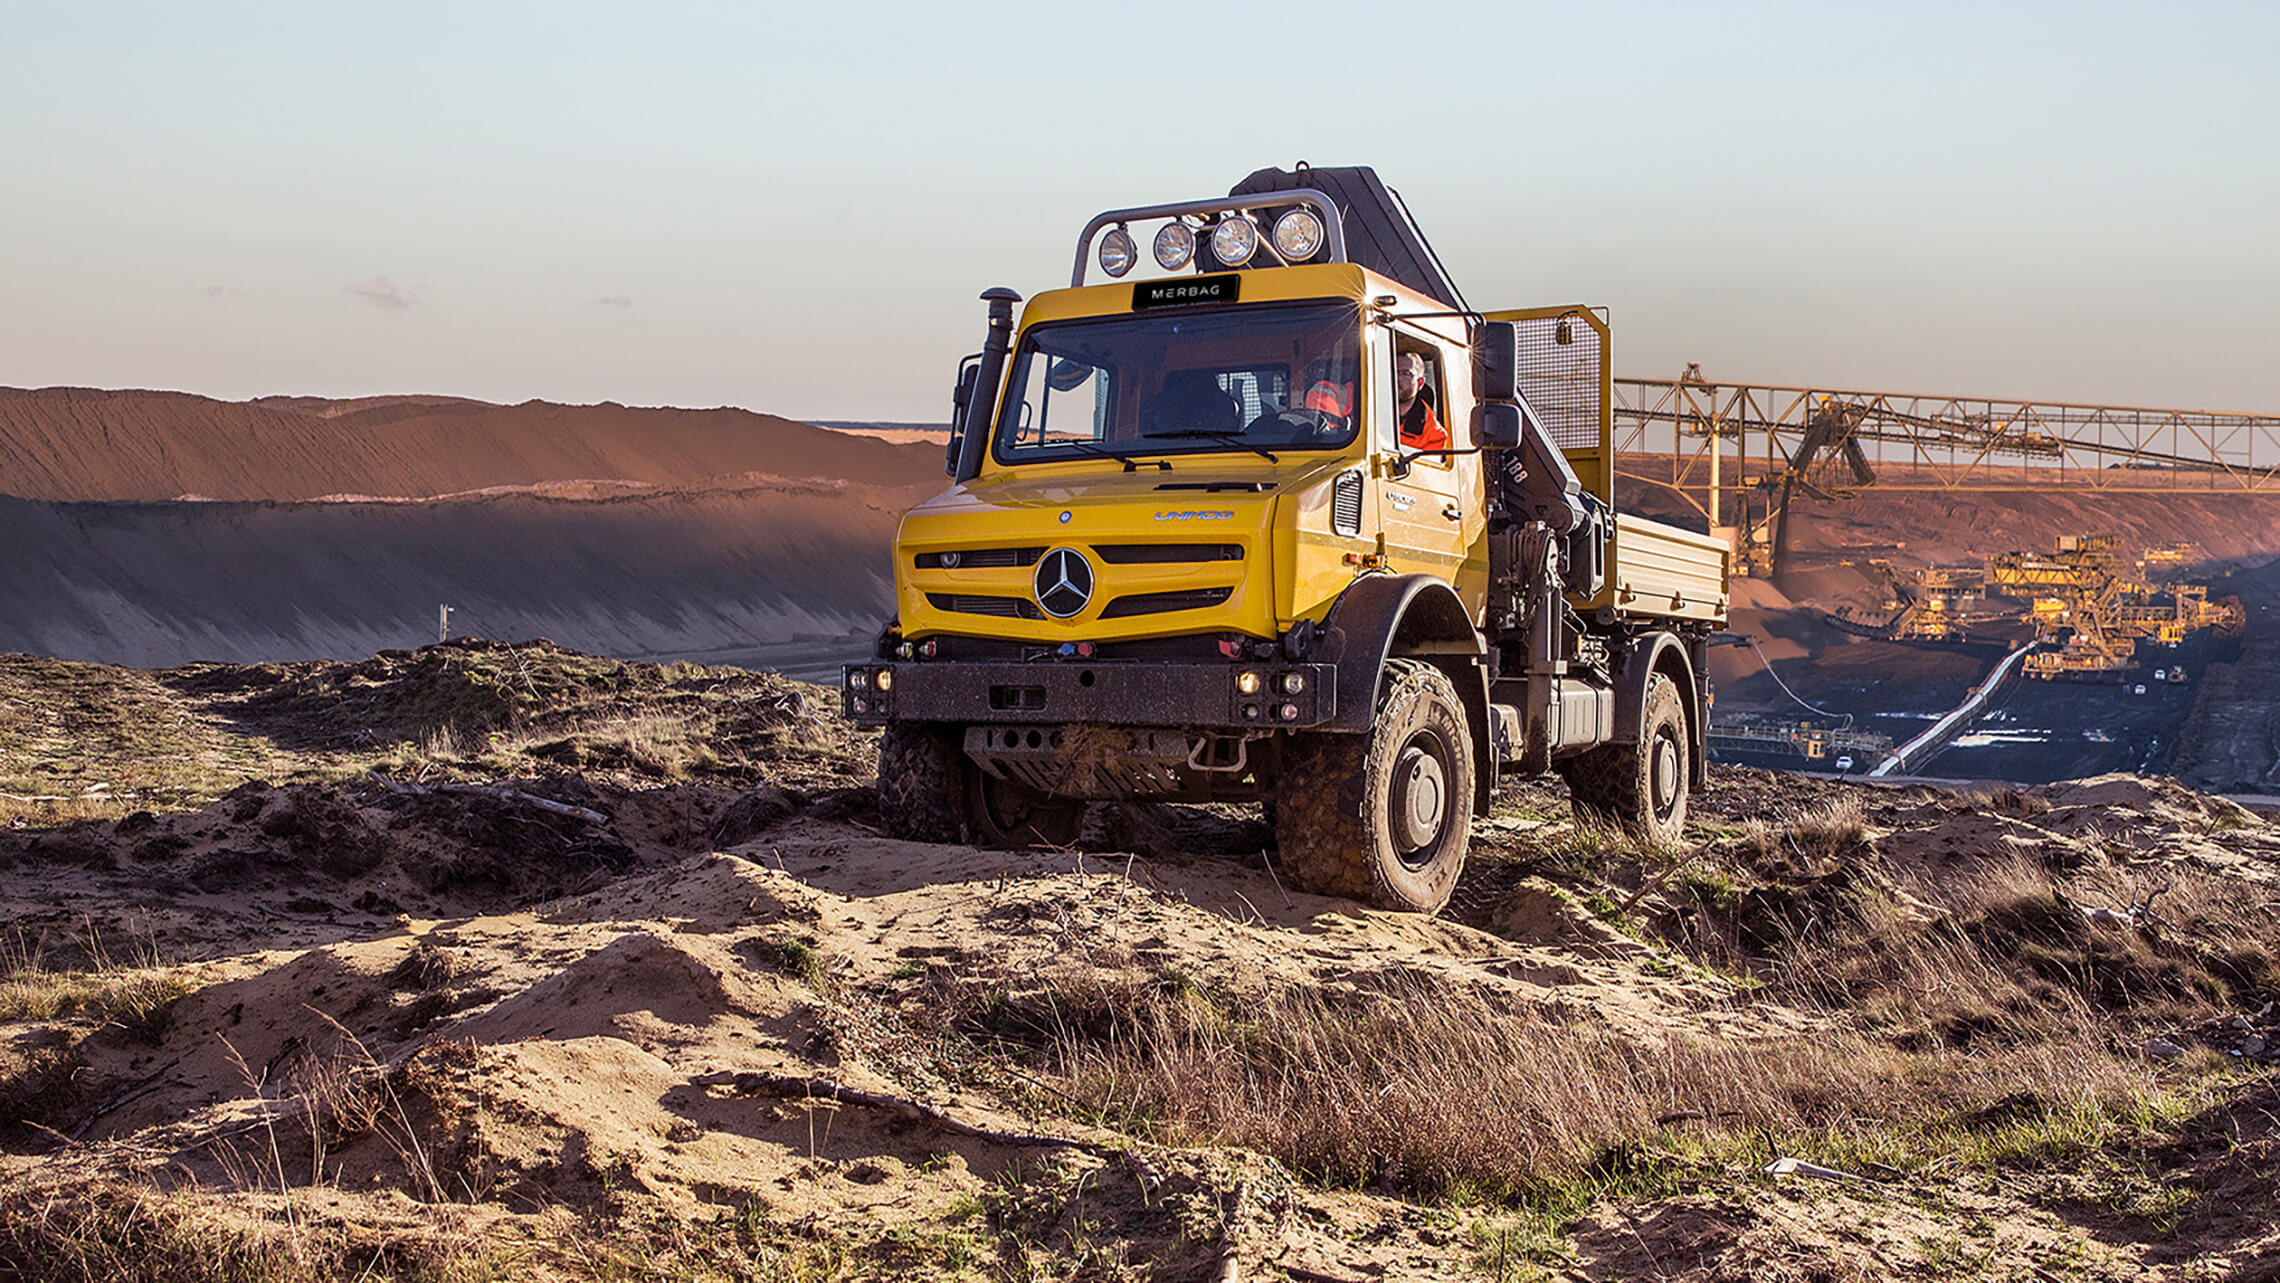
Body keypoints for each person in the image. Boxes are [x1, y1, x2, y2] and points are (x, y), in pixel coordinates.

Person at [1396, 352, 1448, 452]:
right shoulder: (1364, 412)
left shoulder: (1434, 435)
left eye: (1405, 373)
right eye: (1393, 371)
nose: (1397, 378)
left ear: (1420, 383)